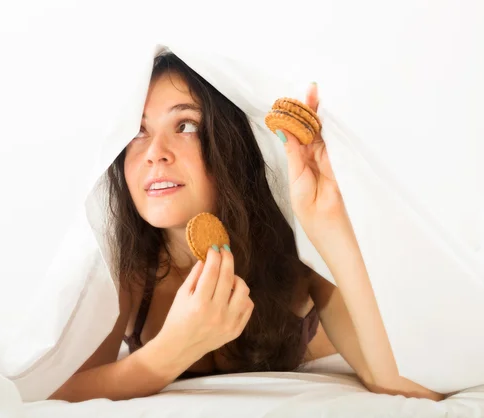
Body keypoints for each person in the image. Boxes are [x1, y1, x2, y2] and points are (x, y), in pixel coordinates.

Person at [50, 52, 443, 402]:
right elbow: (59, 391)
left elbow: (402, 386)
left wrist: (329, 226)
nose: (154, 153)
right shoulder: (126, 269)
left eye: (185, 125)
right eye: (137, 132)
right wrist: (169, 352)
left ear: (231, 143)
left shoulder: (295, 260)